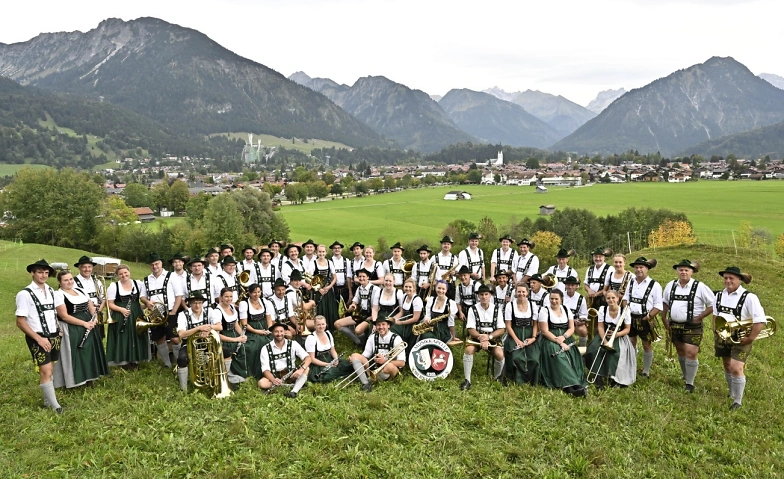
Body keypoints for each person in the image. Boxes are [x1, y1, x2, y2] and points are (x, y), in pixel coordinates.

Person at [714, 266, 767, 410]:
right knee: (727, 365)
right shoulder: (719, 295)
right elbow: (715, 314)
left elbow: (760, 320)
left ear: (739, 279)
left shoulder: (750, 297)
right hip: (723, 335)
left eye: (731, 278)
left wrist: (750, 338)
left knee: (736, 368)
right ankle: (732, 393)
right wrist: (716, 329)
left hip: (742, 338)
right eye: (725, 278)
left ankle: (737, 401)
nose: (728, 281)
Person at [16, 260, 64, 412]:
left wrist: (58, 328)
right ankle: (56, 407)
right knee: (45, 371)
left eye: (46, 272)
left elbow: (53, 312)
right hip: (38, 337)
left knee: (50, 368)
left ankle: (47, 402)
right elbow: (20, 322)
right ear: (32, 273)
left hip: (54, 335)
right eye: (39, 272)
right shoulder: (25, 294)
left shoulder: (50, 290)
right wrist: (39, 339)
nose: (43, 275)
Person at [662, 260, 715, 393]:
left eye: (686, 270)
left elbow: (713, 304)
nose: (683, 272)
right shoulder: (671, 285)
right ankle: (686, 376)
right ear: (677, 271)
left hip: (693, 325)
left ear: (692, 272)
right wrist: (664, 318)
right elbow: (665, 303)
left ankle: (690, 383)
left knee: (691, 352)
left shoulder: (700, 286)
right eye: (681, 270)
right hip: (674, 324)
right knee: (680, 351)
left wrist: (700, 317)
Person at [53, 270, 109, 388]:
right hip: (72, 327)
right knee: (78, 353)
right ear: (60, 282)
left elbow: (91, 307)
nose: (69, 282)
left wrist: (94, 319)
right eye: (65, 280)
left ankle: (90, 377)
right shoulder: (58, 294)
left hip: (89, 323)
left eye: (70, 279)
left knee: (89, 351)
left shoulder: (80, 290)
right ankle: (76, 380)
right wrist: (84, 324)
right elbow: (64, 316)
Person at [537, 289, 588, 397]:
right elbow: (544, 331)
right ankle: (570, 387)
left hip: (565, 338)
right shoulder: (544, 310)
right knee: (559, 356)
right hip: (550, 339)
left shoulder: (566, 309)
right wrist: (559, 342)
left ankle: (576, 384)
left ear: (561, 299)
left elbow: (571, 328)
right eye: (551, 299)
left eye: (556, 299)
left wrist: (564, 337)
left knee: (572, 355)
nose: (553, 301)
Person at [584, 290, 636, 388]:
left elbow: (627, 329)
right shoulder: (603, 309)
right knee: (593, 350)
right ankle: (598, 376)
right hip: (604, 335)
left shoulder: (624, 311)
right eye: (608, 298)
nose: (611, 300)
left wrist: (616, 334)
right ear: (605, 299)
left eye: (613, 298)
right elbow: (600, 327)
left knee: (616, 354)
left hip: (619, 336)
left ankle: (615, 378)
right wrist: (605, 341)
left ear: (617, 299)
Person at [623, 257, 663, 378]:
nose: (639, 269)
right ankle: (632, 366)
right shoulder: (631, 282)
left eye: (641, 267)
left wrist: (649, 316)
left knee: (646, 344)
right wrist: (626, 310)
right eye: (636, 267)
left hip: (645, 318)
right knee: (631, 342)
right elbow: (625, 298)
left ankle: (646, 370)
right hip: (630, 317)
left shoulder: (654, 285)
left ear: (647, 269)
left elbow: (658, 305)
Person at [106, 264, 153, 369]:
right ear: (117, 275)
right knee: (123, 336)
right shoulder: (114, 286)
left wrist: (147, 304)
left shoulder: (138, 284)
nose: (123, 275)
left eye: (125, 272)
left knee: (137, 334)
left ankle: (136, 359)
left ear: (129, 272)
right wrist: (121, 309)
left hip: (136, 313)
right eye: (120, 274)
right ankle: (123, 361)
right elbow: (110, 304)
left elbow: (142, 299)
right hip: (120, 314)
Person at [461, 284, 506, 390]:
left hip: (492, 337)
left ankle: (497, 378)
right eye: (481, 294)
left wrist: (488, 337)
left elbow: (501, 329)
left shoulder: (496, 309)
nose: (484, 297)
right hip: (477, 336)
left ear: (490, 296)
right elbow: (470, 328)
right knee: (468, 349)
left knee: (500, 354)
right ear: (478, 296)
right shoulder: (473, 309)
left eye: (486, 294)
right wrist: (481, 337)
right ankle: (467, 380)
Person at [175, 291, 222, 391]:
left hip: (207, 343)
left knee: (225, 352)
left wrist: (208, 328)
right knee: (182, 359)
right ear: (190, 303)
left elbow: (219, 326)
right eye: (194, 303)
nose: (197, 305)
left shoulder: (209, 311)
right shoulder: (183, 315)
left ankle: (221, 380)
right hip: (189, 344)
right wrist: (199, 328)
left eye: (200, 302)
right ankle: (183, 389)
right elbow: (181, 334)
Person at [144, 252, 184, 368]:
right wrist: (147, 302)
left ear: (161, 264)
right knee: (159, 339)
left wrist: (174, 312)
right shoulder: (147, 279)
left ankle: (179, 363)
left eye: (156, 264)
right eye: (152, 264)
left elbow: (179, 295)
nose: (154, 266)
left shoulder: (172, 276)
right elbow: (143, 296)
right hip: (155, 313)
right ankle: (167, 364)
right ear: (149, 266)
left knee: (175, 338)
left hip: (170, 311)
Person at [348, 315, 406, 392]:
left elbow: (402, 363)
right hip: (375, 366)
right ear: (375, 326)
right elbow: (365, 355)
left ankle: (368, 380)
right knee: (354, 356)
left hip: (389, 368)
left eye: (383, 324)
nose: (381, 327)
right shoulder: (372, 337)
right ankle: (366, 383)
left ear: (388, 326)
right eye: (378, 325)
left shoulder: (396, 338)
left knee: (389, 366)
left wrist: (384, 361)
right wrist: (356, 361)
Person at [258, 322, 312, 398]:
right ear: (272, 333)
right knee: (262, 383)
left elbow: (308, 358)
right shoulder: (265, 348)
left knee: (306, 369)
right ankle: (294, 385)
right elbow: (265, 370)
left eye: (281, 331)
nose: (279, 334)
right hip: (275, 375)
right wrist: (273, 380)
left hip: (291, 374)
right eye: (276, 331)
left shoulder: (293, 343)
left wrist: (301, 369)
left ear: (284, 332)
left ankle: (293, 391)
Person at [503, 283, 540, 386]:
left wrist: (533, 338)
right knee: (516, 357)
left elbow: (535, 324)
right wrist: (517, 340)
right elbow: (508, 326)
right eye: (519, 291)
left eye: (523, 291)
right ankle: (518, 380)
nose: (521, 294)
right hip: (514, 334)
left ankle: (532, 380)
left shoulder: (533, 305)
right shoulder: (510, 306)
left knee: (534, 358)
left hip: (529, 334)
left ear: (527, 293)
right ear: (515, 293)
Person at [210, 288, 248, 383]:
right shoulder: (217, 311)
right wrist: (236, 340)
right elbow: (217, 335)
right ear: (221, 297)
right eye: (226, 296)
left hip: (235, 336)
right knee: (242, 349)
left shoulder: (232, 307)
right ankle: (235, 373)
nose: (229, 299)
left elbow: (236, 325)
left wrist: (243, 335)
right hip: (225, 339)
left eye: (231, 296)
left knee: (251, 344)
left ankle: (248, 372)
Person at [335, 268, 379, 346]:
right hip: (360, 314)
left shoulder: (376, 289)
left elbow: (377, 306)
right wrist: (353, 305)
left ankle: (362, 343)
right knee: (337, 324)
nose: (361, 278)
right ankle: (358, 341)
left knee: (358, 330)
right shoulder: (359, 288)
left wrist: (373, 316)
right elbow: (355, 300)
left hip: (371, 316)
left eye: (363, 276)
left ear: (368, 277)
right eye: (360, 276)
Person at [238, 284, 273, 380]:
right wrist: (257, 331)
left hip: (265, 328)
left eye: (258, 292)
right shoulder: (244, 304)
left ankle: (273, 369)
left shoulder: (265, 302)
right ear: (249, 293)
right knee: (255, 345)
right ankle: (255, 372)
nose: (256, 294)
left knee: (273, 341)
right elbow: (245, 323)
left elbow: (269, 319)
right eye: (254, 292)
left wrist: (270, 330)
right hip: (252, 330)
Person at [306, 315, 353, 383]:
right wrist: (327, 364)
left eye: (323, 324)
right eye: (318, 325)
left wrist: (336, 359)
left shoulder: (328, 334)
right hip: (318, 363)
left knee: (348, 366)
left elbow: (332, 350)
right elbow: (312, 359)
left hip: (330, 359)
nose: (321, 326)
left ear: (326, 324)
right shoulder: (311, 338)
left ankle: (337, 373)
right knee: (327, 376)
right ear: (315, 325)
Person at [72, 256, 106, 340]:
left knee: (98, 340)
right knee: (85, 340)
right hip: (83, 315)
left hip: (97, 314)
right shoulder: (73, 282)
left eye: (89, 267)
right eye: (84, 267)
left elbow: (103, 298)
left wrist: (99, 311)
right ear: (79, 268)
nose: (87, 269)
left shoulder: (97, 281)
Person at [417, 280, 457, 345]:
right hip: (431, 328)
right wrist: (427, 319)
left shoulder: (451, 303)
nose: (441, 291)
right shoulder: (431, 300)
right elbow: (427, 316)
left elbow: (451, 323)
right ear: (435, 288)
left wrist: (453, 336)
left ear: (446, 290)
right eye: (439, 288)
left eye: (443, 289)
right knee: (423, 337)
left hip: (444, 331)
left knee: (428, 338)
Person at [391, 278, 423, 350]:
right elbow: (402, 312)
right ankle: (395, 349)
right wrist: (392, 319)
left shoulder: (417, 300)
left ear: (414, 288)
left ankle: (405, 350)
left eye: (410, 287)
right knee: (391, 326)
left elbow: (415, 318)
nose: (407, 289)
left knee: (395, 329)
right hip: (404, 320)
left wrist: (401, 323)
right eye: (406, 287)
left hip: (414, 324)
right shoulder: (404, 296)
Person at [313, 244, 339, 329]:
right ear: (316, 252)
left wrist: (329, 287)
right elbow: (310, 278)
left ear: (326, 252)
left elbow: (334, 277)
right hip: (318, 290)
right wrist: (319, 289)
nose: (321, 253)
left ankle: (331, 329)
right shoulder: (313, 263)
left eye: (323, 251)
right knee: (320, 309)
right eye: (319, 252)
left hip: (328, 289)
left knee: (330, 308)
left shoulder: (329, 262)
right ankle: (320, 328)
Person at [562, 277, 589, 348]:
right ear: (565, 285)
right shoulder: (561, 296)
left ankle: (583, 348)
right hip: (560, 322)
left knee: (583, 330)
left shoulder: (581, 298)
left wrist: (581, 320)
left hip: (575, 323)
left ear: (576, 286)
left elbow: (584, 314)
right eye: (568, 285)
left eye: (572, 285)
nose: (570, 287)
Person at [454, 265, 479, 341]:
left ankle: (474, 334)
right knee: (451, 316)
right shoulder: (459, 287)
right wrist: (460, 312)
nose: (463, 277)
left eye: (465, 275)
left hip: (476, 308)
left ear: (469, 275)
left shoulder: (476, 285)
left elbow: (481, 301)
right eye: (461, 275)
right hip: (464, 309)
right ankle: (452, 335)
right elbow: (457, 302)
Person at [329, 240, 353, 313]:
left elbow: (349, 277)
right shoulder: (329, 261)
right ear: (332, 250)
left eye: (338, 248)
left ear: (341, 249)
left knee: (346, 309)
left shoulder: (347, 261)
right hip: (334, 289)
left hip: (344, 288)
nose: (337, 249)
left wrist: (350, 292)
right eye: (335, 248)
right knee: (334, 309)